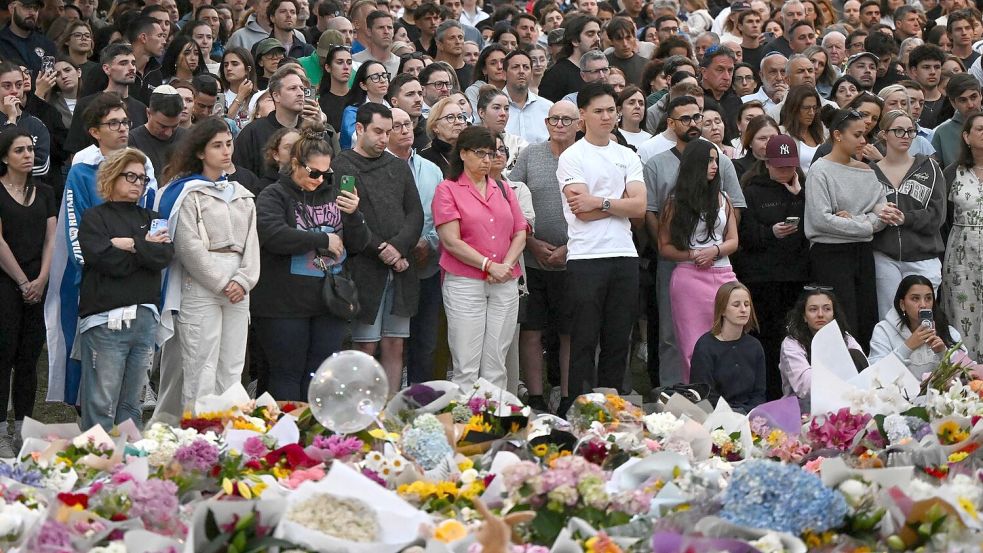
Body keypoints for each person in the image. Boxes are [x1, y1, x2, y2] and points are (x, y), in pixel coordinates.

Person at [44, 93, 158, 408]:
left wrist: (133, 248)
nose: (123, 129)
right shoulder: (83, 168)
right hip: (92, 278)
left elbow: (150, 225)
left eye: (125, 122)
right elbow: (76, 229)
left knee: (129, 374)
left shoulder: (142, 164)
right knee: (91, 364)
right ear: (95, 131)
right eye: (113, 123)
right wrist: (105, 255)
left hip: (135, 281)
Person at [252, 125, 368, 401]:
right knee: (287, 374)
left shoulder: (335, 194)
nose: (319, 179)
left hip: (329, 303)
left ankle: (316, 438)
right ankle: (289, 437)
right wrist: (321, 240)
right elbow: (272, 235)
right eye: (313, 172)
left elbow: (360, 243)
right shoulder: (274, 195)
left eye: (325, 173)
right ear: (295, 164)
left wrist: (353, 215)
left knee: (320, 375)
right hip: (284, 305)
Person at [154, 117, 260, 416]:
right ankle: (198, 437)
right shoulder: (186, 193)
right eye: (217, 146)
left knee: (232, 366)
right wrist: (220, 282)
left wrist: (243, 280)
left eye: (228, 144)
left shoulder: (241, 193)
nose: (226, 151)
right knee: (201, 365)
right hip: (201, 284)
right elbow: (187, 245)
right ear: (200, 152)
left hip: (239, 282)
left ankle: (232, 434)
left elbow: (252, 242)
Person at [558, 82, 646, 412]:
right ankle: (579, 409)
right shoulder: (572, 156)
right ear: (583, 115)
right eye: (599, 111)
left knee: (618, 338)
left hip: (624, 254)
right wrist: (615, 202)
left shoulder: (627, 155)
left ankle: (610, 408)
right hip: (586, 257)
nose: (607, 116)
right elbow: (582, 210)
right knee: (583, 339)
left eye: (611, 110)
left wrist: (600, 201)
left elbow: (639, 207)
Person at [77, 148, 173, 430]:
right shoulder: (94, 217)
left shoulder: (153, 216)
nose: (137, 183)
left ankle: (127, 470)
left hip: (144, 320)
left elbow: (163, 257)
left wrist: (125, 243)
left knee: (133, 404)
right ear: (111, 176)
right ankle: (96, 465)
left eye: (142, 179)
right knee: (101, 402)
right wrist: (142, 245)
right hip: (105, 321)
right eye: (130, 176)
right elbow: (104, 260)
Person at [332, 103, 423, 392]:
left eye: (389, 131)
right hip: (365, 268)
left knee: (395, 343)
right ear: (359, 129)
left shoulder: (397, 165)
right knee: (365, 345)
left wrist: (398, 247)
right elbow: (347, 216)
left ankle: (390, 407)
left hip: (400, 266)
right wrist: (382, 249)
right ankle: (360, 409)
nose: (385, 138)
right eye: (378, 132)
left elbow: (415, 213)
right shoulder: (343, 165)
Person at [433, 125, 527, 390]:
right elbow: (451, 240)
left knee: (496, 363)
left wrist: (505, 265)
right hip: (465, 282)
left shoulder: (504, 188)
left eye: (492, 153)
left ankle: (492, 424)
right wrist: (488, 265)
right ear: (463, 154)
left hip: (504, 281)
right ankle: (466, 426)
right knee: (466, 364)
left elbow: (520, 230)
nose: (488, 160)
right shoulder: (448, 189)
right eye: (480, 153)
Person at [805, 108, 898, 350]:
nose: (863, 141)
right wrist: (866, 222)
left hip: (863, 253)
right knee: (841, 321)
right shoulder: (820, 170)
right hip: (830, 255)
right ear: (837, 135)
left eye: (864, 134)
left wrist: (854, 220)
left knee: (867, 316)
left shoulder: (867, 171)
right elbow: (820, 220)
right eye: (857, 135)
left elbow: (882, 211)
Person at [510, 100, 577, 412]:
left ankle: (566, 397)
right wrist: (531, 242)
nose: (559, 124)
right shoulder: (531, 154)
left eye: (566, 119)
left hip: (575, 260)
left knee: (569, 332)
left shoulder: (584, 155)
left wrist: (571, 246)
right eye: (554, 119)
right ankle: (535, 398)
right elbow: (511, 199)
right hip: (533, 259)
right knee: (531, 329)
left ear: (580, 124)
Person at [734, 135, 808, 400]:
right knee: (766, 337)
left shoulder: (803, 186)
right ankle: (768, 393)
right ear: (766, 163)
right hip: (762, 277)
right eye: (780, 167)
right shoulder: (752, 189)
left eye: (790, 167)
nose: (786, 172)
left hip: (796, 274)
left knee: (794, 337)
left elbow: (816, 221)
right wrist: (771, 233)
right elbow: (743, 234)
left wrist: (801, 194)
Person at [658, 140, 739, 376]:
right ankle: (698, 395)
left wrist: (715, 251)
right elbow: (665, 247)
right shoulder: (673, 204)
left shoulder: (723, 199)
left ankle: (728, 397)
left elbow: (733, 240)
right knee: (691, 344)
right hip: (688, 276)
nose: (714, 166)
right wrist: (693, 254)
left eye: (716, 160)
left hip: (723, 273)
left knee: (728, 337)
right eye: (709, 161)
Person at [0, 128, 55, 455]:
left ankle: (23, 427)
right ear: (5, 156)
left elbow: (51, 239)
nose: (28, 155)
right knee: (3, 356)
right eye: (19, 150)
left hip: (38, 282)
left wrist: (41, 279)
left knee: (29, 358)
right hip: (7, 283)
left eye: (30, 149)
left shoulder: (45, 192)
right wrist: (22, 281)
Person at [870, 110, 946, 319]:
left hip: (924, 256)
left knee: (923, 318)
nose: (906, 136)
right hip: (885, 256)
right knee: (889, 318)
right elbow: (861, 209)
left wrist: (905, 218)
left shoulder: (930, 167)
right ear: (884, 134)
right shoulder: (870, 172)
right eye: (899, 131)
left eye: (910, 131)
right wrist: (877, 212)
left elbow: (937, 216)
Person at [387, 107, 442, 385]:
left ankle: (420, 404)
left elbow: (443, 216)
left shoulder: (432, 170)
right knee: (390, 343)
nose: (405, 129)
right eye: (397, 126)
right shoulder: (377, 168)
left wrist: (429, 242)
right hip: (388, 267)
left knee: (426, 341)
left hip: (426, 266)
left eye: (408, 124)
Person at [779, 286, 863, 412]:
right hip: (803, 408)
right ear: (804, 316)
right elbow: (806, 387)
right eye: (813, 309)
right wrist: (841, 368)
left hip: (846, 403)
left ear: (834, 314)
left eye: (827, 309)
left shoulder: (846, 338)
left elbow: (864, 371)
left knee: (854, 355)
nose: (820, 314)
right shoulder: (792, 343)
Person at [942, 112, 983, 360]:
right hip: (961, 257)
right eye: (979, 129)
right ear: (966, 137)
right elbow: (942, 219)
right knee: (962, 311)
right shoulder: (952, 173)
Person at [690, 281, 766, 413]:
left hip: (750, 415)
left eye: (747, 304)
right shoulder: (705, 346)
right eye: (736, 305)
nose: (743, 309)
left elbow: (759, 393)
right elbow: (704, 394)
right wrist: (731, 414)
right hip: (715, 415)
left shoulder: (754, 346)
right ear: (722, 310)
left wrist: (748, 412)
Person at [870, 275, 961, 378]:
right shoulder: (883, 331)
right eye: (915, 298)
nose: (923, 305)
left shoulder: (948, 331)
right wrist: (907, 346)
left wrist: (943, 353)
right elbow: (874, 376)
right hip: (898, 393)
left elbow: (966, 374)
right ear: (902, 304)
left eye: (928, 298)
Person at [127, 85, 187, 177]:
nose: (168, 133)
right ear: (148, 113)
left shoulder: (188, 139)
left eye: (174, 126)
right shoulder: (132, 141)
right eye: (163, 126)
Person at [475, 85, 526, 174]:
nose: (503, 113)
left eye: (506, 109)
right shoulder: (471, 142)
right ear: (481, 112)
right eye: (496, 108)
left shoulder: (518, 143)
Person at [340, 60, 390, 150]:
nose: (382, 80)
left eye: (384, 75)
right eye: (375, 77)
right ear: (363, 85)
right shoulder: (353, 111)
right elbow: (355, 139)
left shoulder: (394, 110)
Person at [779, 85, 825, 172]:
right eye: (806, 108)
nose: (811, 113)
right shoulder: (781, 133)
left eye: (814, 108)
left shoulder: (821, 135)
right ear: (794, 108)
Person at [418, 96, 467, 174]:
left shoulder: (470, 153)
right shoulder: (424, 159)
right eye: (450, 117)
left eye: (460, 117)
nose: (458, 122)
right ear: (435, 127)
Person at [220, 47, 258, 131]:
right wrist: (240, 96)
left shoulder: (259, 97)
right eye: (225, 65)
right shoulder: (220, 95)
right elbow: (222, 125)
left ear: (248, 70)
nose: (228, 68)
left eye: (235, 64)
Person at [317, 45, 352, 133]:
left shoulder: (360, 99)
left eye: (349, 62)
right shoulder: (320, 104)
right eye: (340, 62)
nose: (346, 67)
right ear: (328, 67)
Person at [618, 85, 651, 150]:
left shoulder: (651, 139)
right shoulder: (612, 137)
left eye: (641, 104)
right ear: (619, 110)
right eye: (631, 103)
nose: (637, 106)